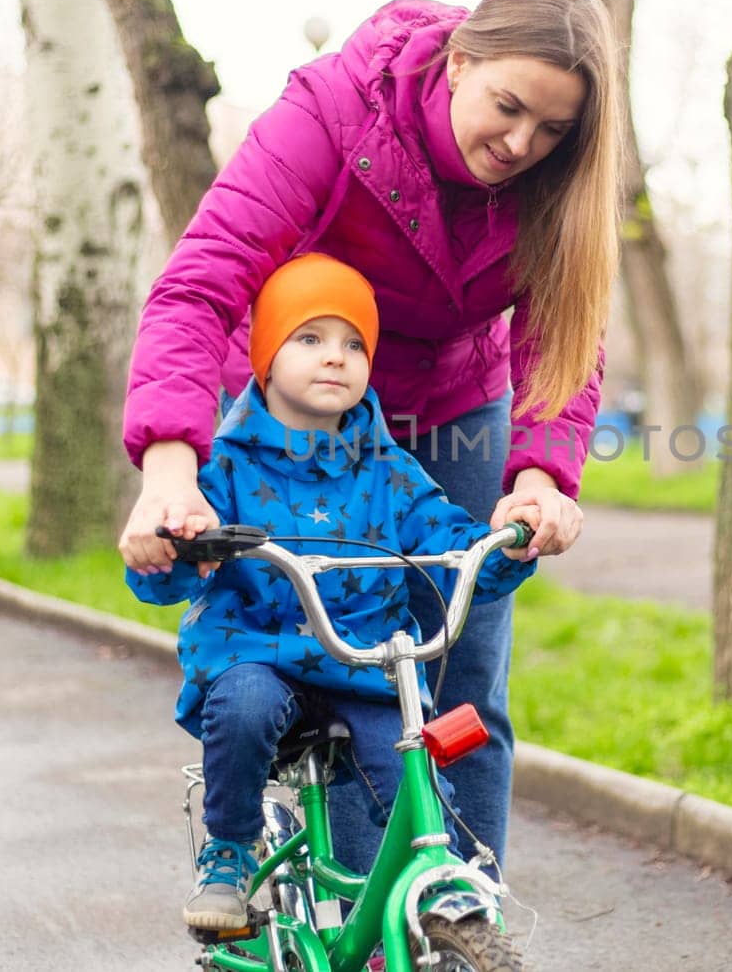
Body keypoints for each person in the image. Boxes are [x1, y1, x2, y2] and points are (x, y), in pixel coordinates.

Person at [118, 0, 622, 873]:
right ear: (458, 60)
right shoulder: (331, 113)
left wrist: (541, 479)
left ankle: (459, 920)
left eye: (552, 131)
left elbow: (563, 342)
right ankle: (357, 918)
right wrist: (169, 467)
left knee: (459, 673)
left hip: (455, 407)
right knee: (335, 665)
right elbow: (201, 285)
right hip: (302, 409)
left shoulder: (557, 183)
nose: (521, 145)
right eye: (507, 108)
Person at [126, 254, 540, 931]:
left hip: (364, 667)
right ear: (265, 354)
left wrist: (505, 547)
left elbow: (448, 543)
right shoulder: (223, 468)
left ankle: (427, 898)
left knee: (416, 765)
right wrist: (169, 546)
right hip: (259, 654)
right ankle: (229, 849)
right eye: (310, 338)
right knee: (243, 705)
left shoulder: (391, 470)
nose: (335, 358)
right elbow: (170, 571)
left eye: (354, 344)